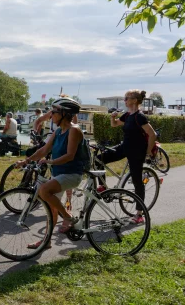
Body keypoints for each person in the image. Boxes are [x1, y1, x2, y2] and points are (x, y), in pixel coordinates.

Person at [15, 97, 84, 249]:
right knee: (51, 206)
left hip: (72, 174)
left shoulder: (74, 130)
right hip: (59, 174)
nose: (51, 115)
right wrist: (25, 161)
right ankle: (47, 241)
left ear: (65, 114)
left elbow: (70, 155)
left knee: (44, 191)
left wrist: (51, 162)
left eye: (54, 112)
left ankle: (67, 217)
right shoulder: (59, 131)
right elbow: (44, 150)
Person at [97, 90, 156, 223]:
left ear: (134, 100)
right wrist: (113, 117)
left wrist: (147, 151)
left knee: (137, 182)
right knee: (100, 159)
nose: (124, 100)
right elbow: (114, 124)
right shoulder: (128, 115)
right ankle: (104, 188)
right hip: (125, 147)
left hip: (137, 151)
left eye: (126, 98)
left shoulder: (139, 117)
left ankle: (139, 214)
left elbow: (152, 134)